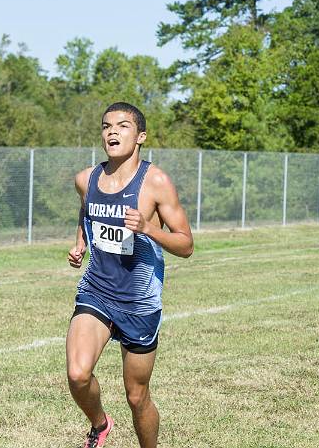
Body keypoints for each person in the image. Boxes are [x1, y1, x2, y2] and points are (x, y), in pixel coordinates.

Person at [66, 102, 193, 447]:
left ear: (140, 136)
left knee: (137, 397)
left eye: (122, 126)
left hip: (139, 301)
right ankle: (100, 424)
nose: (112, 132)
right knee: (78, 374)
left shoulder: (156, 182)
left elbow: (185, 245)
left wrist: (149, 228)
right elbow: (86, 212)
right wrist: (80, 243)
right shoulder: (86, 179)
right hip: (97, 290)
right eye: (106, 126)